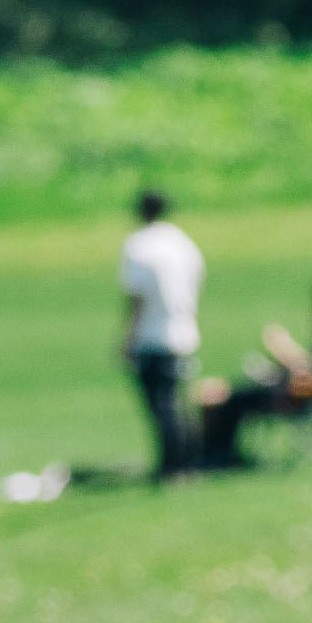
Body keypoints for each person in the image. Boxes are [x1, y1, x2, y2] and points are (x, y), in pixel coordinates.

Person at [196, 271, 312, 466]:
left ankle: (218, 455)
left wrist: (285, 352)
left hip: (298, 397)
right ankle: (214, 453)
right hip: (295, 391)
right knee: (227, 391)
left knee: (230, 397)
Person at [119, 189, 204, 477]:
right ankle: (188, 459)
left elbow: (137, 295)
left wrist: (127, 337)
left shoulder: (139, 245)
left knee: (161, 405)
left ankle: (173, 464)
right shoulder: (183, 243)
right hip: (183, 330)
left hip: (151, 335)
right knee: (176, 401)